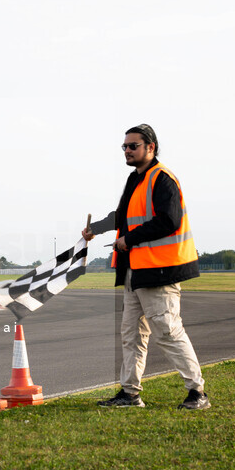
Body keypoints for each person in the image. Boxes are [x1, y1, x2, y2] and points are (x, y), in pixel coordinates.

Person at [82, 123, 209, 410]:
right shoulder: (134, 180)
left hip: (159, 272)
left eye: (133, 146)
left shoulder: (162, 179)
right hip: (134, 272)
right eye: (124, 147)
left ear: (150, 147)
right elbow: (124, 215)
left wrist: (129, 239)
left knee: (168, 332)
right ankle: (130, 394)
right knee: (132, 336)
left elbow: (169, 220)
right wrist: (97, 229)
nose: (127, 151)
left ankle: (197, 392)